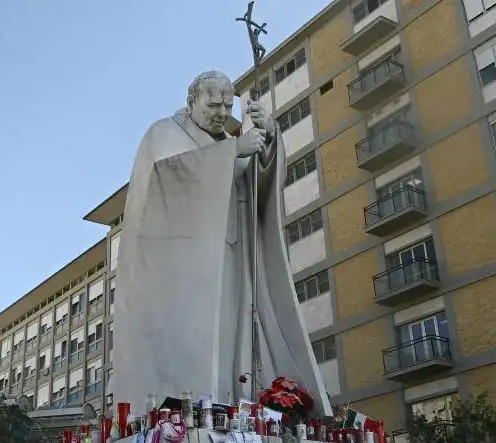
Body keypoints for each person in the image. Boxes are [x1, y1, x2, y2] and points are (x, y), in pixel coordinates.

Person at [111, 70, 331, 416]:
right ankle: (186, 408)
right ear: (191, 101)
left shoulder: (226, 139)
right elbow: (164, 176)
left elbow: (256, 185)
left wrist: (268, 139)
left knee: (234, 339)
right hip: (187, 270)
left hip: (233, 256)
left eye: (228, 106)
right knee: (199, 343)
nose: (221, 112)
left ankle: (237, 405)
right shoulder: (165, 133)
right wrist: (232, 152)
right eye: (213, 104)